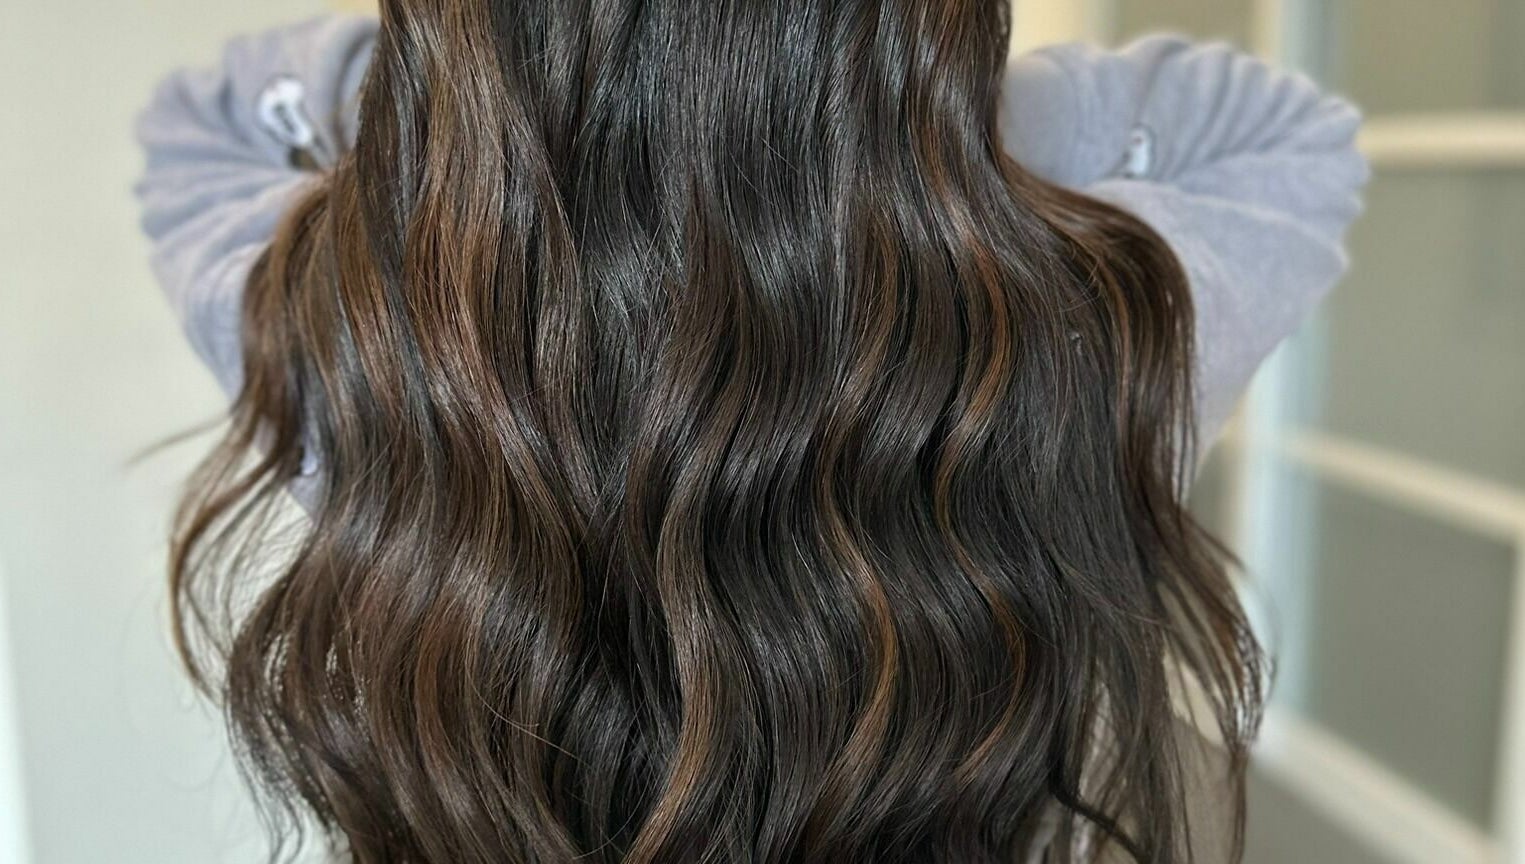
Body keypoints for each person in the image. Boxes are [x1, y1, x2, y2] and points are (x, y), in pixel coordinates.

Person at [132, 4, 1368, 862]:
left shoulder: (354, 350)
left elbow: (208, 117)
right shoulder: (1102, 341)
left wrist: (461, 101)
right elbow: (1285, 132)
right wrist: (915, 131)